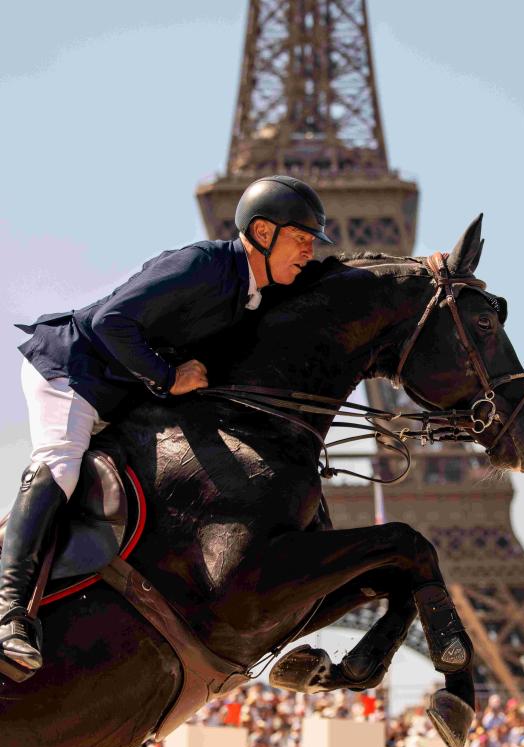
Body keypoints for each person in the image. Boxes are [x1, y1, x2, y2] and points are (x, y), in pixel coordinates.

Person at [0, 175, 333, 682]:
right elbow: (111, 320)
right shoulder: (202, 265)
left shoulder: (252, 296)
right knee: (61, 464)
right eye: (302, 239)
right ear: (262, 232)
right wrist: (167, 376)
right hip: (74, 370)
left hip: (123, 392)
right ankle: (9, 612)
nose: (309, 251)